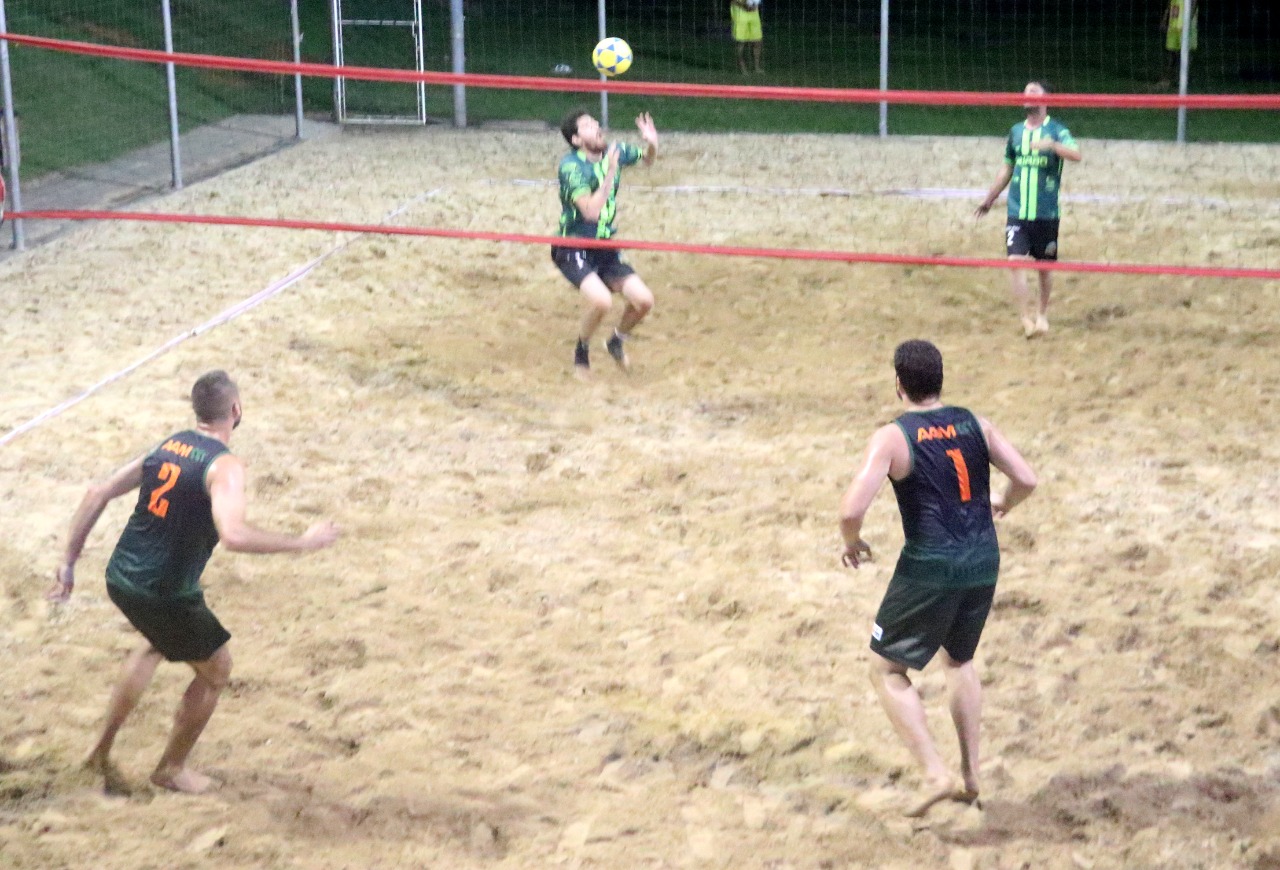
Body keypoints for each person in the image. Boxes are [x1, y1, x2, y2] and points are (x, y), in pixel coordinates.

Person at [46, 370, 340, 794]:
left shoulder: (170, 444)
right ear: (236, 409)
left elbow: (97, 492)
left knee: (154, 643)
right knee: (217, 668)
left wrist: (69, 562)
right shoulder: (225, 466)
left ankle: (100, 751)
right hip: (164, 591)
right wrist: (303, 542)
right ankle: (171, 768)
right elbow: (234, 535)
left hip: (122, 575)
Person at [838, 340, 1037, 818]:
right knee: (959, 660)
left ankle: (934, 773)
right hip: (983, 559)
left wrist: (852, 541)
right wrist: (1004, 503)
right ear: (940, 379)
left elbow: (851, 510)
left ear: (899, 384)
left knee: (886, 669)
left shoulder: (893, 436)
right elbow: (1027, 479)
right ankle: (970, 776)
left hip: (929, 566)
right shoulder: (976, 424)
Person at [551, 109, 659, 378]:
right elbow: (590, 212)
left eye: (595, 122)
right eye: (587, 125)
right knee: (602, 302)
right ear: (576, 140)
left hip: (604, 245)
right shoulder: (571, 167)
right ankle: (581, 352)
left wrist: (652, 144)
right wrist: (610, 172)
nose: (597, 126)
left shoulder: (615, 151)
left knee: (644, 301)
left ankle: (616, 341)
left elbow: (647, 160)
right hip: (572, 244)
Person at [974, 82, 1081, 339]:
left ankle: (1042, 314)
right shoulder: (1016, 132)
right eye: (1025, 92)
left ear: (1046, 99)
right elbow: (1007, 168)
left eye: (1033, 92)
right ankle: (1025, 319)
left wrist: (1052, 146)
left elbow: (1076, 154)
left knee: (1045, 268)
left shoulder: (1057, 130)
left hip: (1046, 212)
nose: (1027, 95)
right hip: (1017, 211)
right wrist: (989, 199)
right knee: (1015, 262)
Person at [1159, 0, 1198, 88]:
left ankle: (1184, 78)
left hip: (1186, 26)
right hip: (1173, 25)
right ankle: (1168, 78)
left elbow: (1194, 4)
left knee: (1186, 53)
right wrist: (1165, 19)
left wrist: (1188, 21)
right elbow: (1169, 4)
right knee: (1171, 52)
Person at [730, 0, 763, 75]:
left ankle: (757, 67)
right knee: (741, 42)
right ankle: (742, 68)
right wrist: (743, 5)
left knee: (757, 41)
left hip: (754, 12)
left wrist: (756, 4)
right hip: (740, 13)